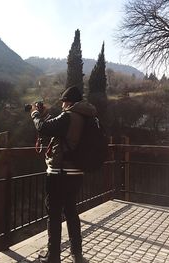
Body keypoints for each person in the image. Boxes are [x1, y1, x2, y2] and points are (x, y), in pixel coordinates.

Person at [30, 85, 97, 263]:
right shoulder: (86, 116)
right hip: (76, 172)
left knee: (53, 214)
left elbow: (43, 128)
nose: (62, 106)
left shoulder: (69, 116)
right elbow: (60, 129)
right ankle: (77, 254)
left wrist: (35, 114)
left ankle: (53, 257)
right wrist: (46, 115)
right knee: (71, 212)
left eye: (63, 102)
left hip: (59, 172)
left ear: (68, 102)